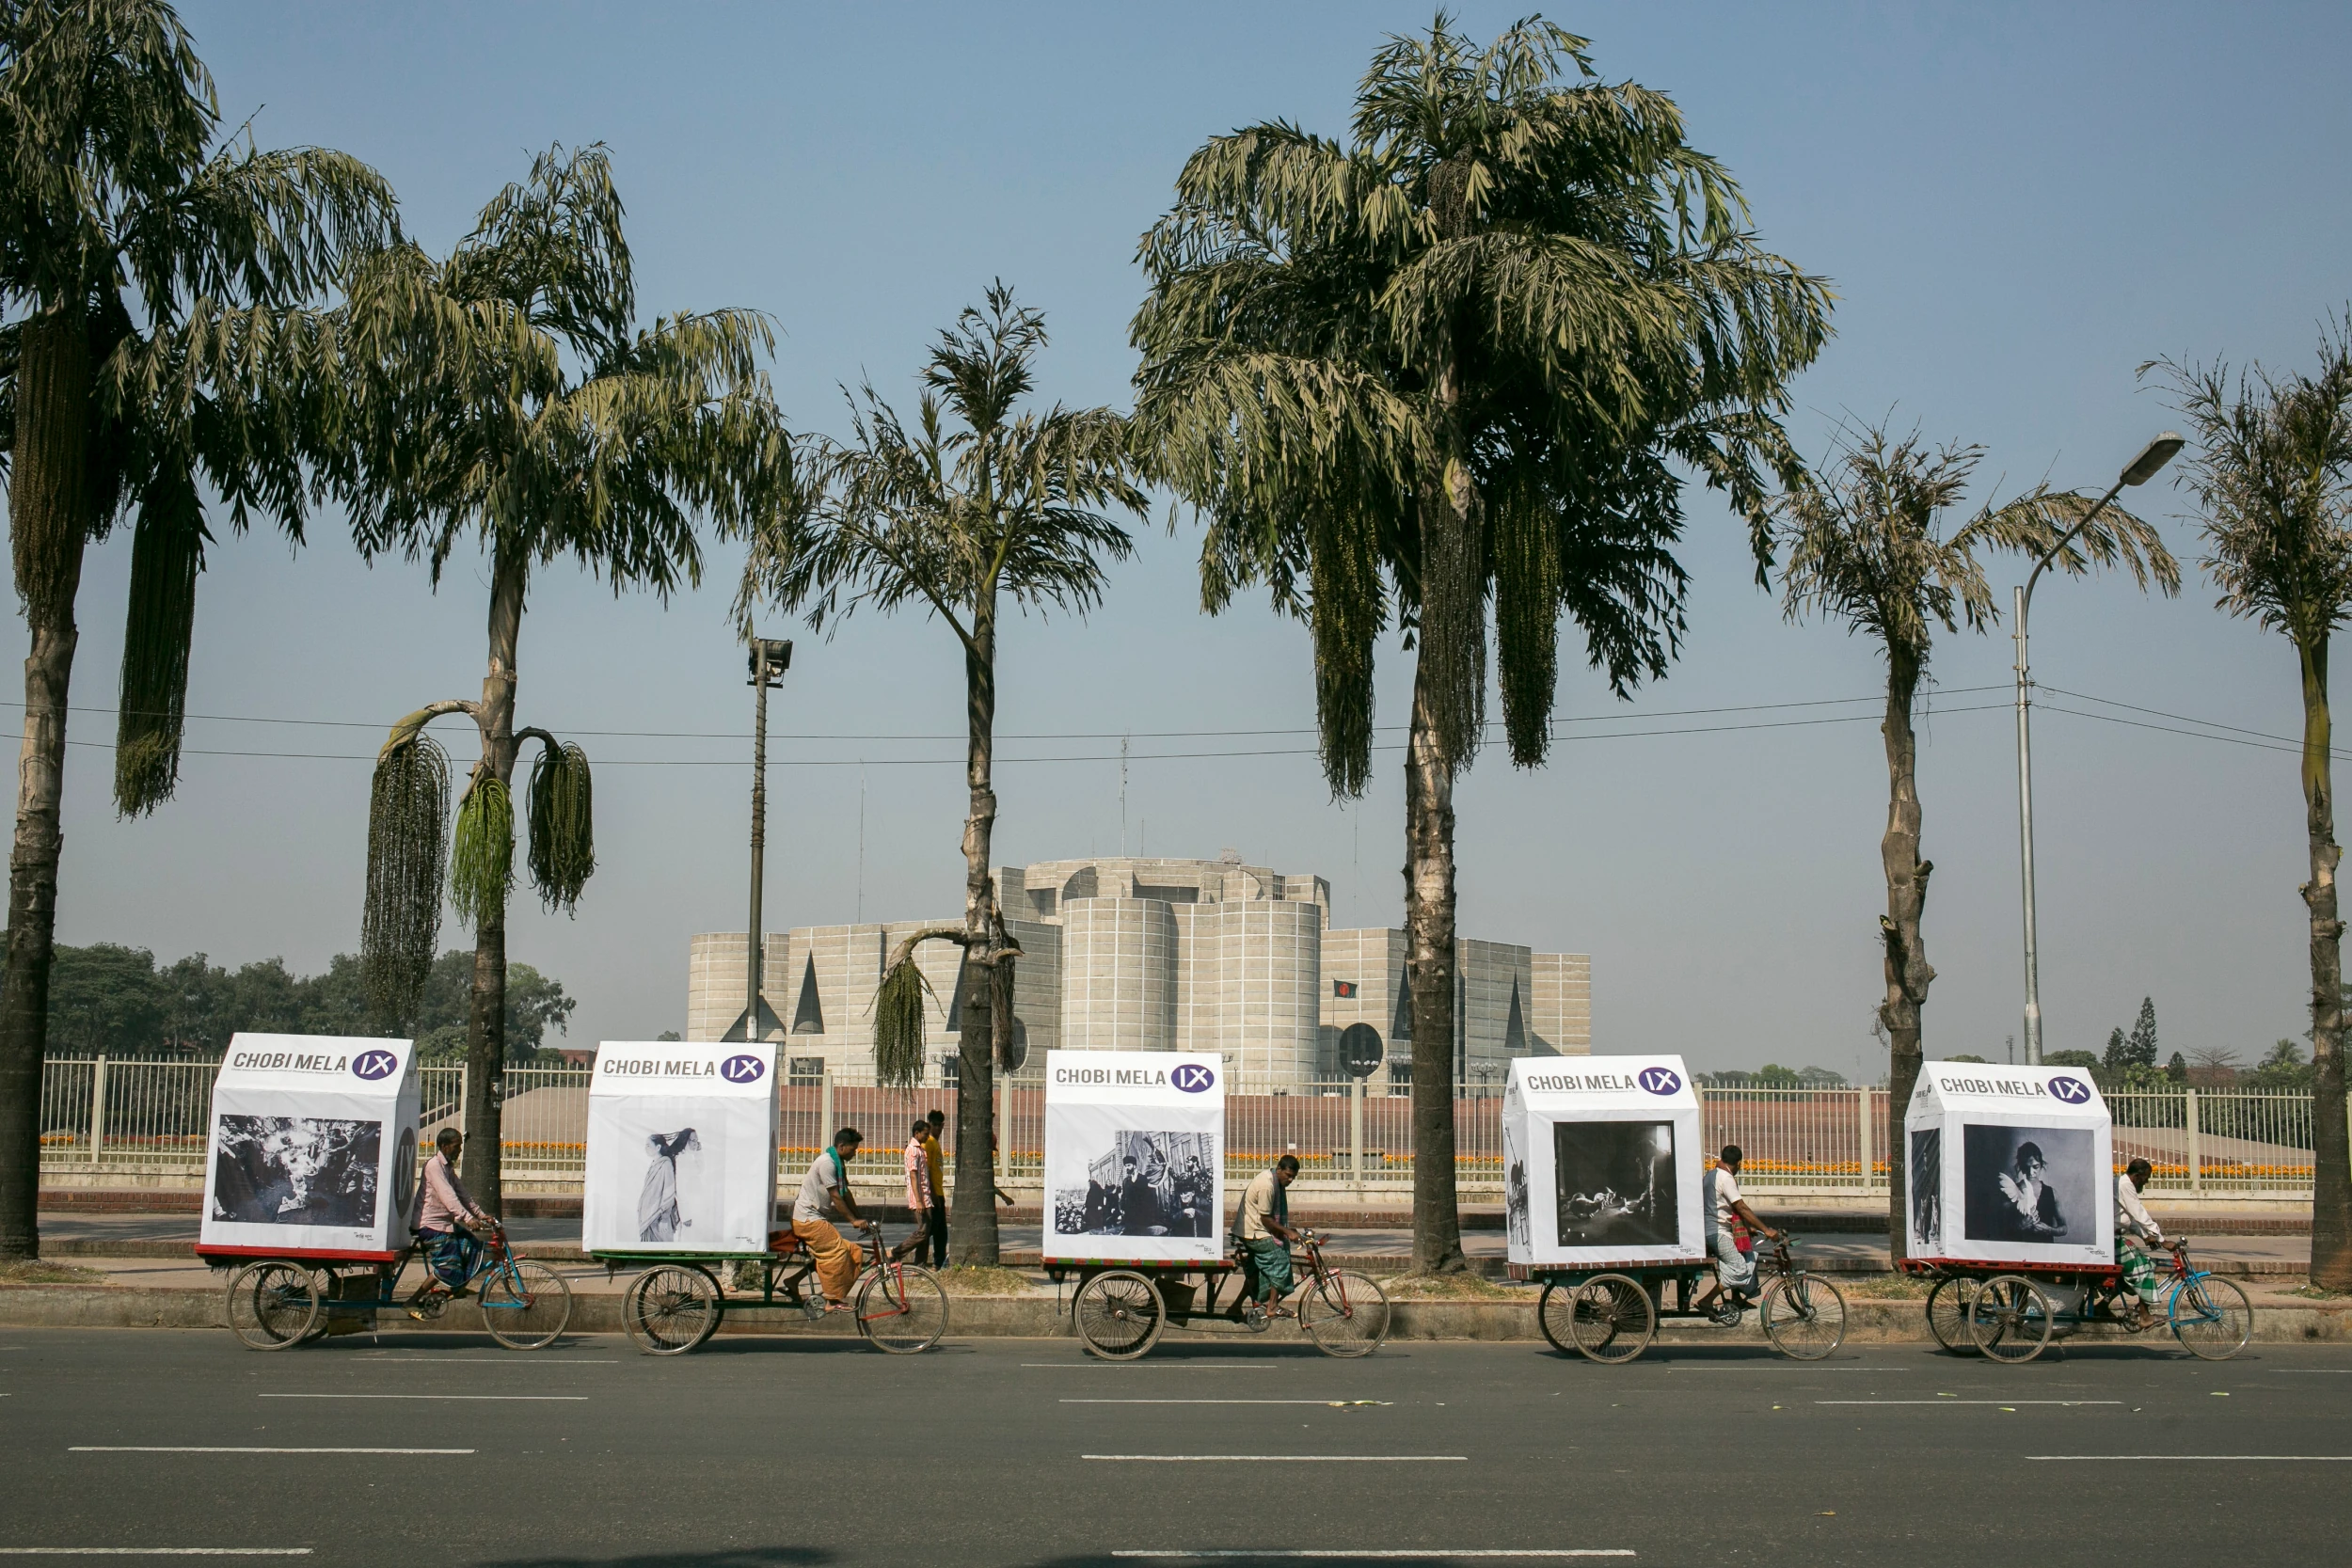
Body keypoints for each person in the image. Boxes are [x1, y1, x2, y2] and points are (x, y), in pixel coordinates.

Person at [1691, 1145, 1782, 1326]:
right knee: (1740, 1269)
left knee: (1748, 1255)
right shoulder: (1726, 1178)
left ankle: (1737, 1298)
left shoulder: (1711, 1175)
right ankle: (1707, 1301)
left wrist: (1748, 1229)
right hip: (1717, 1233)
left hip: (1716, 1230)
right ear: (1739, 1163)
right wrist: (1767, 1229)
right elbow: (1740, 1206)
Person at [410, 1128, 496, 1319]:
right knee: (449, 1265)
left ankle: (456, 1288)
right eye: (457, 1147)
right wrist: (467, 1218)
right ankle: (412, 1300)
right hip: (430, 1226)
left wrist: (481, 1215)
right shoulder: (434, 1166)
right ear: (444, 1146)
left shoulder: (447, 1168)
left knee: (474, 1248)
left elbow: (462, 1193)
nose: (460, 1151)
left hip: (444, 1224)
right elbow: (449, 1197)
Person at [791, 1128, 875, 1315]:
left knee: (854, 1251)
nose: (855, 1153)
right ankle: (831, 1300)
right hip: (808, 1220)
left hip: (815, 1218)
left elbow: (846, 1194)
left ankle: (793, 1281)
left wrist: (860, 1217)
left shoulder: (838, 1163)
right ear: (841, 1146)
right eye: (853, 1149)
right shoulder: (827, 1164)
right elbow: (836, 1197)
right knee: (837, 1252)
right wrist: (853, 1220)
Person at [1235, 1154, 1301, 1322]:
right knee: (1281, 1260)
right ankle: (1272, 1306)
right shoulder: (1267, 1186)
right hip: (1253, 1232)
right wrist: (1287, 1232)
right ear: (1279, 1169)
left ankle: (1235, 1307)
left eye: (1293, 1177)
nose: (1290, 1179)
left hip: (1256, 1229)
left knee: (1254, 1273)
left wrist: (1288, 1230)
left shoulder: (1274, 1180)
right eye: (1288, 1175)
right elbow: (1266, 1219)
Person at [2113, 1157, 2167, 1329]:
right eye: (2145, 1178)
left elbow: (2130, 1219)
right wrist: (2162, 1239)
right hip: (2110, 1241)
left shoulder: (2122, 1184)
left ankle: (2101, 1306)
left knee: (2131, 1271)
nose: (2147, 1182)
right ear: (2137, 1176)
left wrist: (2145, 1236)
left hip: (2115, 1237)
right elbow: (2138, 1213)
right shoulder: (2125, 1185)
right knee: (2145, 1267)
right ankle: (2145, 1317)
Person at [1997, 1142, 2065, 1240]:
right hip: (2018, 1251)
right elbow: (1998, 1229)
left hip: (2044, 1251)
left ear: (2041, 1165)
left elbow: (2064, 1227)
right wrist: (2019, 1227)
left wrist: (2049, 1230)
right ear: (2021, 1168)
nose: (2031, 1172)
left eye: (2035, 1167)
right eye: (2026, 1167)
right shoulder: (2009, 1192)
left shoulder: (2052, 1193)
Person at [894, 1119, 935, 1262]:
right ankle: (896, 1252)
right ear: (916, 1133)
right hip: (919, 1197)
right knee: (922, 1232)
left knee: (927, 1232)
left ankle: (920, 1264)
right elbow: (913, 1175)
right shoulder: (912, 1150)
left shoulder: (920, 1149)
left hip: (925, 1195)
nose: (927, 1137)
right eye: (925, 1134)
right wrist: (918, 1201)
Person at [922, 1109, 949, 1266]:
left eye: (940, 1125)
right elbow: (926, 1170)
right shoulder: (929, 1143)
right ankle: (926, 1262)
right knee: (929, 1231)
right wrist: (932, 1194)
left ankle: (937, 1263)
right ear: (929, 1124)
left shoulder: (935, 1143)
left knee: (940, 1233)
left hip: (939, 1192)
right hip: (933, 1194)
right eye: (935, 1125)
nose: (937, 1128)